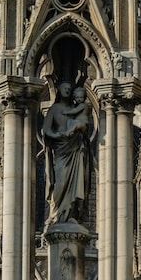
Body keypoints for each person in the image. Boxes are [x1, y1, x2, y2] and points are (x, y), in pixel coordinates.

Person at [43, 81, 92, 225]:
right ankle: (56, 213)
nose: (67, 90)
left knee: (75, 183)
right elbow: (46, 130)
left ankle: (72, 213)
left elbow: (84, 126)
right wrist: (57, 136)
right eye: (65, 88)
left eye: (69, 88)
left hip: (76, 149)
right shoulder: (55, 109)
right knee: (60, 182)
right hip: (61, 150)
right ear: (58, 89)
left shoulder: (77, 108)